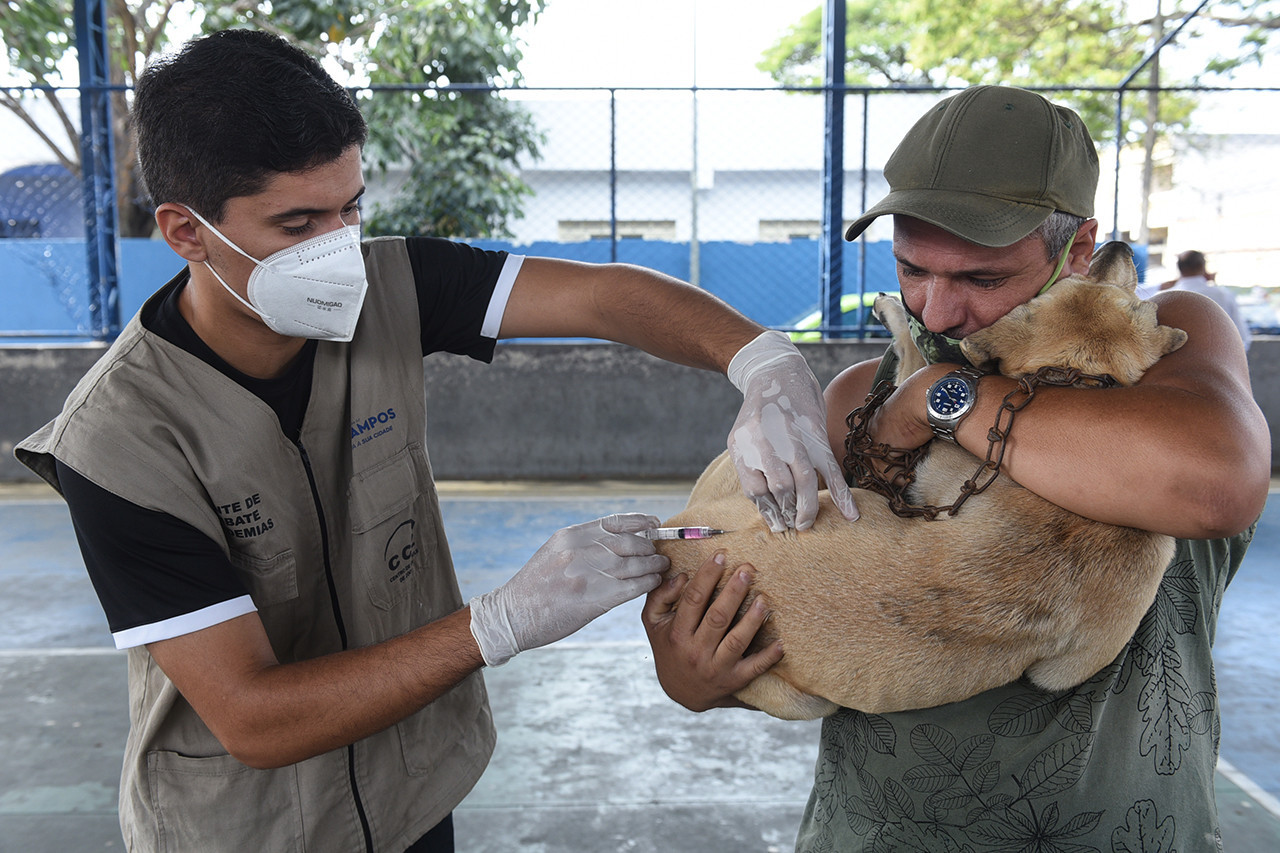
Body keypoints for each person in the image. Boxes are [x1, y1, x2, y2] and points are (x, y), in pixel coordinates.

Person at [13, 30, 858, 853]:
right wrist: (499, 621)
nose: (337, 252)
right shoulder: (121, 441)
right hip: (247, 827)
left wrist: (763, 362)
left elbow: (603, 297)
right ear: (186, 230)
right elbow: (253, 716)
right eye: (297, 223)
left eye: (350, 210)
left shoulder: (391, 283)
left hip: (412, 792)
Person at [643, 85, 1269, 851]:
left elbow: (1215, 484)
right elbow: (797, 623)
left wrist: (939, 401)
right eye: (912, 268)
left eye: (981, 280)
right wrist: (696, 676)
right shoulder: (857, 398)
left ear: (1076, 248)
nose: (936, 312)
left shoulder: (1163, 340)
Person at [1167, 249, 1253, 350]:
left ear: (1179, 268)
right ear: (1203, 267)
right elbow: (1242, 337)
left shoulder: (1164, 297)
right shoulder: (1222, 295)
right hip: (1221, 359)